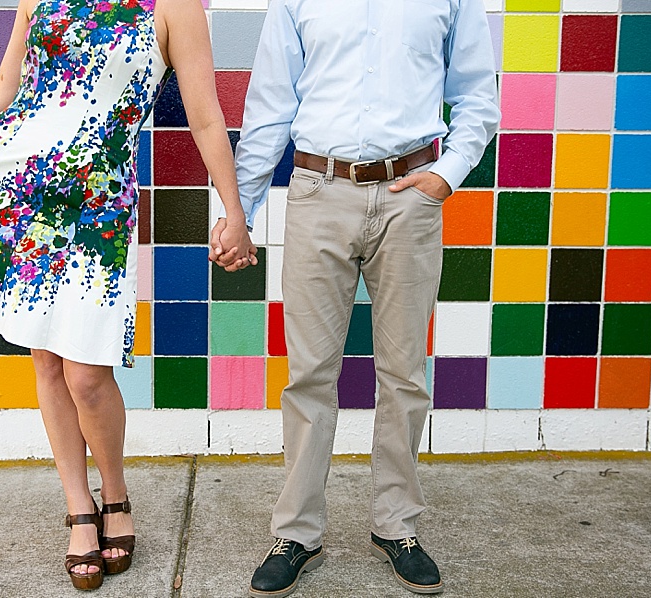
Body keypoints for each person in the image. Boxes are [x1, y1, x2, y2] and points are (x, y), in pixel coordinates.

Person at [0, 0, 254, 591]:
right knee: (48, 361)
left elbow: (206, 119)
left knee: (87, 375)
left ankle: (116, 494)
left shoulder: (174, 6)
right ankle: (80, 507)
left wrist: (234, 212)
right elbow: (3, 92)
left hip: (97, 210)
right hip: (21, 197)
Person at [210, 0, 500, 595]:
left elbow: (478, 94)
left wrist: (447, 174)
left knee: (404, 373)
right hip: (318, 191)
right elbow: (270, 106)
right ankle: (297, 533)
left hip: (410, 195)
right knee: (309, 374)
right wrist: (239, 212)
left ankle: (398, 526)